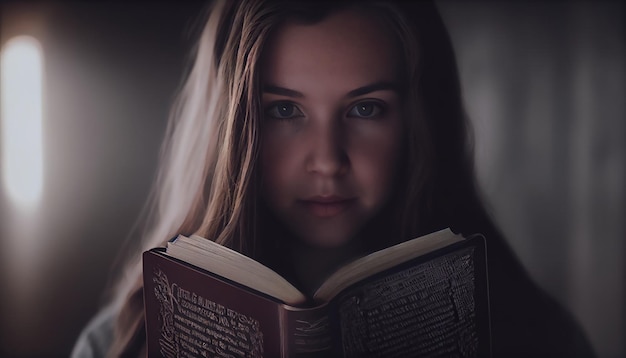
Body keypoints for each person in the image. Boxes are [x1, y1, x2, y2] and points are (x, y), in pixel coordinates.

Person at [72, 1, 595, 357]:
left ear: (420, 121)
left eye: (366, 108)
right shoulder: (125, 344)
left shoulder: (538, 335)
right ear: (231, 129)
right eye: (283, 111)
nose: (326, 160)